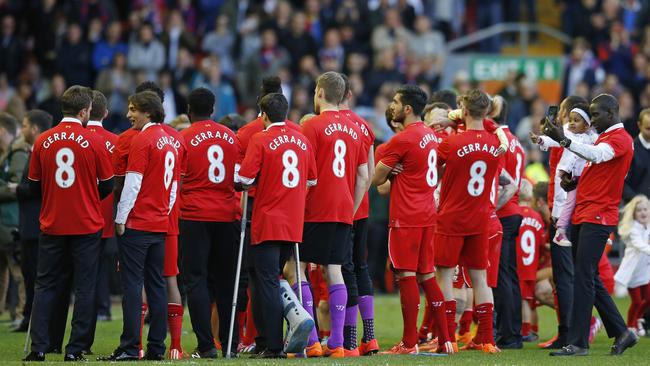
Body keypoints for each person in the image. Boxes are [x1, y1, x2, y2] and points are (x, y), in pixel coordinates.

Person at [24, 86, 114, 362]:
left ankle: (39, 347)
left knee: (45, 285)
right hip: (86, 225)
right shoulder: (94, 141)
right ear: (85, 111)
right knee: (85, 287)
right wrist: (86, 196)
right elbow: (108, 185)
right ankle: (75, 350)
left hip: (52, 224)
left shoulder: (43, 140)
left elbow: (33, 186)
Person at [543, 93, 637, 356]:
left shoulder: (620, 139)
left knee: (583, 276)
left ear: (612, 112)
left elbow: (595, 156)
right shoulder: (607, 136)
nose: (592, 120)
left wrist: (563, 140)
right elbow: (596, 167)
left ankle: (578, 342)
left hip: (599, 214)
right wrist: (576, 181)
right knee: (588, 277)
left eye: (595, 115)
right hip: (585, 211)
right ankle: (623, 332)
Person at [372, 85, 453, 355]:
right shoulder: (430, 136)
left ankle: (408, 344)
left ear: (407, 108)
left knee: (406, 277)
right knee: (428, 276)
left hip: (406, 217)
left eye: (395, 102)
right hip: (428, 215)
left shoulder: (402, 140)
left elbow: (376, 180)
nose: (392, 106)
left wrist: (393, 173)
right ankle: (446, 340)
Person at [237, 92, 317, 359]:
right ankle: (273, 337)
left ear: (263, 115)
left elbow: (244, 179)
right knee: (271, 279)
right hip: (293, 221)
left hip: (268, 220)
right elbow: (312, 181)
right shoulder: (302, 141)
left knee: (267, 281)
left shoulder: (260, 139)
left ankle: (273, 345)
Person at [101, 91, 179, 361]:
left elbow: (132, 183)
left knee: (132, 286)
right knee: (157, 285)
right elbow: (173, 189)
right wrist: (163, 214)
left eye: (133, 109)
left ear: (148, 111)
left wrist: (121, 218)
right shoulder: (170, 140)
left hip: (137, 224)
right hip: (159, 224)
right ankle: (157, 347)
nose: (128, 114)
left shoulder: (143, 139)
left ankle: (130, 347)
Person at [298, 71, 368, 358]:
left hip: (315, 208)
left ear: (320, 92)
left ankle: (313, 340)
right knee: (334, 269)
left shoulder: (312, 126)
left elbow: (305, 175)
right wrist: (350, 210)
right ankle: (337, 343)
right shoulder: (355, 129)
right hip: (343, 208)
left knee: (296, 268)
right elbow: (363, 176)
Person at [435, 89, 503, 354]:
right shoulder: (495, 145)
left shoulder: (451, 142)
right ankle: (487, 339)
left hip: (451, 218)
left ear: (463, 110)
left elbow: (434, 167)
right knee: (480, 280)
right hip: (480, 218)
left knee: (445, 277)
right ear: (486, 113)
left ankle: (448, 338)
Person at [179, 87, 242, 358]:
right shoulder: (230, 136)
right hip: (227, 215)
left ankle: (206, 346)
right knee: (228, 281)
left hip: (194, 216)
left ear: (189, 111)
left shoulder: (184, 137)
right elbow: (240, 177)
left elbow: (178, 179)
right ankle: (231, 344)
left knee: (196, 280)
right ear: (213, 110)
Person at [532, 95, 588, 349]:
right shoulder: (566, 136)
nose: (563, 117)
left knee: (565, 276)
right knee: (567, 276)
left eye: (565, 112)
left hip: (564, 212)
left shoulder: (575, 138)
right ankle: (570, 330)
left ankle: (570, 333)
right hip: (564, 210)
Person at [338, 74, 377, 356]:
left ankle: (349, 341)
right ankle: (370, 337)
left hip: (337, 209)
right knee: (360, 267)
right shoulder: (364, 126)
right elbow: (371, 174)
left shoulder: (324, 125)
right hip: (361, 207)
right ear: (349, 94)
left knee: (343, 269)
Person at [531, 104, 597, 246]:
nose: (571, 123)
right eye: (571, 119)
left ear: (587, 125)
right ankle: (560, 232)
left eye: (576, 120)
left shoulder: (592, 137)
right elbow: (553, 140)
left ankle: (597, 232)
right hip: (569, 176)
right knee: (568, 203)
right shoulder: (566, 133)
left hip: (585, 177)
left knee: (589, 202)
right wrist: (541, 139)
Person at [84, 90, 118, 353]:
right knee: (104, 267)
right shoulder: (116, 141)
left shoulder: (79, 140)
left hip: (81, 215)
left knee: (84, 272)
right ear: (105, 113)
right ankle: (105, 307)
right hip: (110, 215)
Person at [15, 110, 52, 333]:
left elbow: (35, 187)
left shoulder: (42, 150)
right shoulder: (37, 149)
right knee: (30, 274)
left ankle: (36, 321)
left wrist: (16, 188)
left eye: (25, 125)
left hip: (37, 222)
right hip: (33, 223)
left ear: (35, 129)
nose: (22, 129)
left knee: (37, 275)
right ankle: (30, 317)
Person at [516, 179, 547, 342]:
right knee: (528, 300)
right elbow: (542, 243)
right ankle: (530, 329)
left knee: (521, 300)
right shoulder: (536, 217)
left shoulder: (513, 213)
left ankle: (525, 331)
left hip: (517, 264)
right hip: (531, 265)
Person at [614, 195, 650, 335]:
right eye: (639, 210)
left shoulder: (647, 226)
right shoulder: (632, 230)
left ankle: (638, 319)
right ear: (633, 213)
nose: (643, 212)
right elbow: (639, 245)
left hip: (645, 270)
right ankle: (630, 326)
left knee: (648, 299)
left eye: (645, 209)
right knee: (636, 301)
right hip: (633, 272)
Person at [623, 109, 650, 202]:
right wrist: (637, 200)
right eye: (648, 128)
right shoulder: (630, 149)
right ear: (639, 125)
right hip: (635, 207)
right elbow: (622, 182)